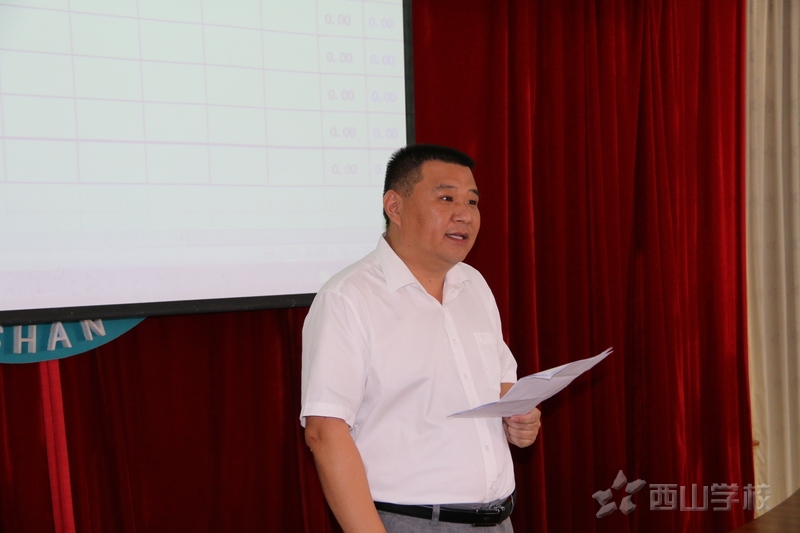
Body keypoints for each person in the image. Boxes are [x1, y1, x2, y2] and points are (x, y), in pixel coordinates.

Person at [300, 144, 541, 532]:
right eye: (446, 198)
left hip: (498, 520)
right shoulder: (348, 297)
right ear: (394, 207)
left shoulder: (474, 285)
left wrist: (520, 419)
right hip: (410, 521)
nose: (464, 214)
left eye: (472, 201)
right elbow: (325, 432)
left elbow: (500, 384)